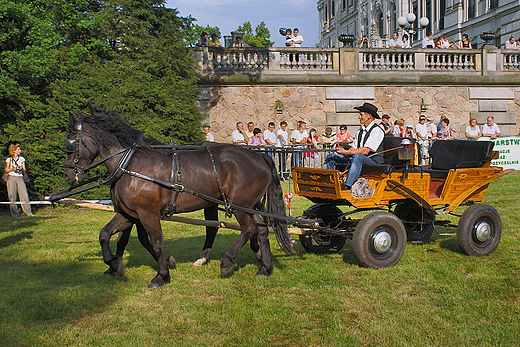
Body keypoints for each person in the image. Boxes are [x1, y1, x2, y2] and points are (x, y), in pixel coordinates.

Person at [322, 102, 385, 191]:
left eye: (361, 115)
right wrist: (344, 152)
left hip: (373, 162)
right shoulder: (360, 131)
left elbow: (365, 151)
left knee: (358, 156)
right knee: (331, 157)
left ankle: (348, 186)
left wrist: (347, 152)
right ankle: (326, 184)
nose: (359, 117)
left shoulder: (377, 131)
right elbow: (354, 148)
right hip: (357, 159)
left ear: (369, 116)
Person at [4, 142, 33, 217]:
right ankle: (14, 213)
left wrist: (21, 168)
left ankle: (28, 212)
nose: (20, 151)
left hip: (20, 177)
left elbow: (24, 169)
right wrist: (12, 169)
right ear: (14, 150)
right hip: (11, 177)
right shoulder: (9, 159)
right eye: (18, 149)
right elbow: (6, 170)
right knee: (12, 195)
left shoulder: (22, 159)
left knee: (24, 195)